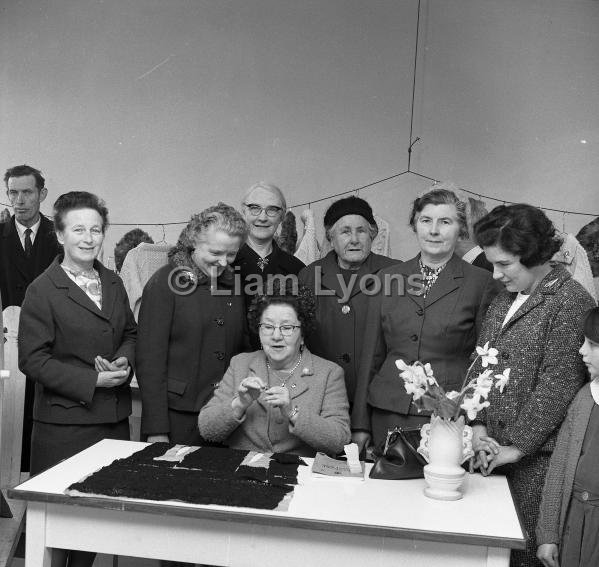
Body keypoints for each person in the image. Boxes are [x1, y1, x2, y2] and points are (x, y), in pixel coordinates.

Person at [470, 204, 595, 567]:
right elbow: (480, 363)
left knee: (520, 558)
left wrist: (516, 448)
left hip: (532, 467)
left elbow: (558, 387)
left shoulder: (570, 302)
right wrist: (477, 426)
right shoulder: (505, 297)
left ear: (534, 254)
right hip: (489, 455)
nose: (495, 274)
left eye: (504, 264)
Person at [18, 191, 136, 567]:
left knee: (94, 532)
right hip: (64, 428)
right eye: (79, 229)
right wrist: (92, 382)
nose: (89, 238)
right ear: (60, 235)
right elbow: (32, 361)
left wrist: (123, 362)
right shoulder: (41, 289)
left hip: (112, 427)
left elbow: (131, 335)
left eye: (96, 230)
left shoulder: (114, 283)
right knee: (57, 536)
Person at [358, 187, 497, 451]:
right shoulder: (387, 278)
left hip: (447, 417)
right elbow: (371, 356)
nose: (434, 230)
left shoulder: (481, 283)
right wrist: (360, 425)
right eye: (426, 221)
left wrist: (480, 425)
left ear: (460, 230)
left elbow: (485, 365)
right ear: (415, 225)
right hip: (387, 412)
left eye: (445, 222)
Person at [136, 203, 250, 445]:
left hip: (224, 414)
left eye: (231, 254)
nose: (223, 262)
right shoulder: (164, 283)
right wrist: (156, 428)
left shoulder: (234, 285)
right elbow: (149, 362)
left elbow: (241, 350)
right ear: (193, 244)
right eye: (215, 253)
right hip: (176, 417)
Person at [198, 283, 351, 456]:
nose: (276, 336)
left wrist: (293, 412)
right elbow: (207, 430)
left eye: (287, 328)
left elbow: (339, 441)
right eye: (268, 327)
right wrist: (239, 404)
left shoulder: (329, 373)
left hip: (300, 475)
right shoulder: (240, 364)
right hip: (243, 471)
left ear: (302, 335)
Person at [298, 196, 396, 449]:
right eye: (345, 231)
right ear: (330, 237)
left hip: (378, 401)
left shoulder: (396, 274)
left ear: (373, 235)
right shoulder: (309, 276)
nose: (354, 239)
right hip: (322, 401)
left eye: (361, 230)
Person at [1, 164, 62, 471]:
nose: (20, 200)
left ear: (42, 194)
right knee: (9, 426)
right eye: (13, 192)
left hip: (49, 344)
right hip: (4, 346)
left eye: (27, 192)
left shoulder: (60, 238)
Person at [536, 307, 599, 567]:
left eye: (593, 344)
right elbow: (559, 469)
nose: (582, 351)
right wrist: (548, 534)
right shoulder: (585, 397)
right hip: (574, 521)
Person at [233, 182, 305, 347]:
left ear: (282, 216)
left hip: (282, 363)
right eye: (254, 208)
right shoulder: (224, 265)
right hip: (234, 364)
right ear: (243, 212)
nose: (263, 217)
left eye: (272, 210)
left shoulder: (298, 269)